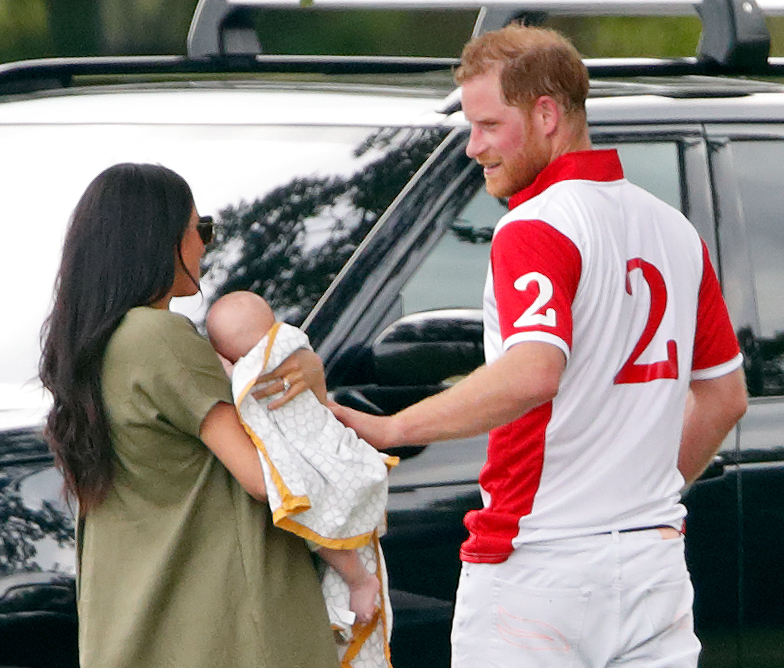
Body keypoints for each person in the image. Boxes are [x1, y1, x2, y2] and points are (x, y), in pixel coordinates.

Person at [331, 24, 749, 668]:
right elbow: (724, 399)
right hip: (653, 564)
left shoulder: (535, 223)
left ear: (547, 114)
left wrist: (390, 429)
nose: (474, 147)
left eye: (489, 125)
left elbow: (533, 373)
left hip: (538, 567)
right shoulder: (673, 228)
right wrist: (643, 500)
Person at [39, 163, 339, 668]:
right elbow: (266, 477)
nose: (205, 245)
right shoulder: (159, 338)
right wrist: (306, 369)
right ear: (159, 240)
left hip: (141, 629)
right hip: (227, 629)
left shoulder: (91, 344)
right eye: (200, 229)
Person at [206, 290, 395, 666]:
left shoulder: (265, 366)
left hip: (320, 471)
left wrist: (224, 367)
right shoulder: (295, 349)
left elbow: (246, 381)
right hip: (336, 463)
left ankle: (359, 580)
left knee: (314, 514)